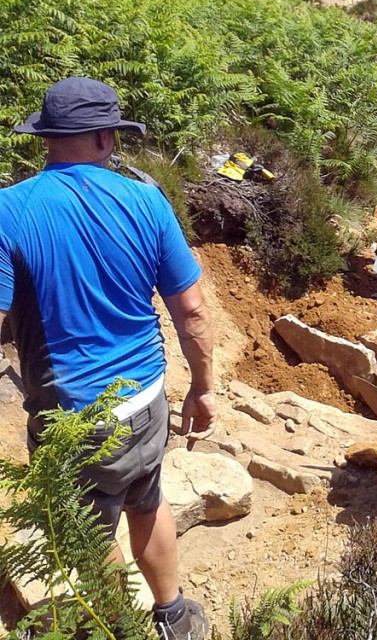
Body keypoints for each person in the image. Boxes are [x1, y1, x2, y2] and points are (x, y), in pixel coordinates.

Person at [0, 77, 216, 640]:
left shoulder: (10, 210)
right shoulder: (146, 199)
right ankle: (172, 616)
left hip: (74, 417)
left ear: (47, 138)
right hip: (145, 398)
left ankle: (118, 627)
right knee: (147, 498)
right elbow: (191, 312)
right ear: (104, 137)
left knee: (89, 533)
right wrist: (204, 387)